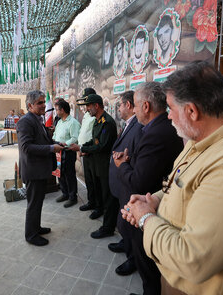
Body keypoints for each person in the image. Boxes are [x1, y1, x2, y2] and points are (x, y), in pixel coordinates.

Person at [122, 61, 223, 294]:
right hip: (174, 280)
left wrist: (145, 218)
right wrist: (155, 201)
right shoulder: (201, 143)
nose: (168, 116)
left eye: (170, 108)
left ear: (191, 111)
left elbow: (193, 260)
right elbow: (178, 185)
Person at [113, 82, 184, 294]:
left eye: (134, 105)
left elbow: (138, 181)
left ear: (145, 106)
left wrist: (122, 165)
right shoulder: (154, 128)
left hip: (149, 208)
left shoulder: (158, 132)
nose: (133, 110)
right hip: (150, 204)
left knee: (149, 270)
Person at [17, 90, 63, 246]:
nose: (44, 105)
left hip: (40, 170)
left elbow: (41, 140)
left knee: (38, 202)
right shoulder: (25, 121)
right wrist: (51, 148)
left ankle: (36, 227)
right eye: (40, 103)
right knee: (34, 204)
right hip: (33, 171)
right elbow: (26, 147)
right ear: (30, 105)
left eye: (44, 102)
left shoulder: (37, 119)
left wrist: (56, 143)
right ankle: (31, 235)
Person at [69, 94, 117, 239]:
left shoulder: (107, 122)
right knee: (100, 193)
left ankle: (108, 227)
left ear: (96, 106)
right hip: (97, 164)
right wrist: (82, 147)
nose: (87, 109)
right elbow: (94, 141)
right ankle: (100, 212)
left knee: (108, 197)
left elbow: (102, 146)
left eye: (89, 106)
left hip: (105, 166)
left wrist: (82, 149)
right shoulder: (97, 120)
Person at [107, 91, 143, 276]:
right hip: (122, 183)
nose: (118, 109)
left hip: (128, 184)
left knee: (128, 224)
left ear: (128, 105)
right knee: (124, 225)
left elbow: (134, 156)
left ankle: (133, 259)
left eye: (119, 105)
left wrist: (124, 161)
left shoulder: (138, 127)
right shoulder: (130, 124)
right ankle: (126, 244)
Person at [53, 99, 81, 208]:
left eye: (57, 110)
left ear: (63, 110)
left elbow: (75, 138)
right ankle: (64, 194)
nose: (56, 112)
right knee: (59, 173)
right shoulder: (60, 121)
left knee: (69, 175)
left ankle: (72, 197)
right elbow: (55, 135)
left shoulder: (73, 122)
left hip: (68, 152)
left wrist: (64, 144)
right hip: (58, 152)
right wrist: (54, 142)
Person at [76, 88, 97, 212]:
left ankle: (97, 205)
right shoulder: (86, 115)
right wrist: (80, 147)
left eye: (88, 103)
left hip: (91, 152)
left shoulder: (96, 116)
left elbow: (94, 137)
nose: (86, 106)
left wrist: (85, 148)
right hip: (83, 152)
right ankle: (91, 201)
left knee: (94, 181)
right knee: (88, 179)